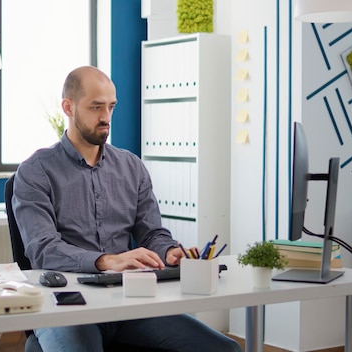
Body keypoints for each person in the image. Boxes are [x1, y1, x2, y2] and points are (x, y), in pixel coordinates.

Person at [12, 66, 242, 352]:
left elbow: (152, 233)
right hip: (65, 307)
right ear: (68, 108)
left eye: (111, 107)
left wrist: (169, 251)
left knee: (226, 349)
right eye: (96, 107)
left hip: (129, 303)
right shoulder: (36, 171)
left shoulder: (131, 167)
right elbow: (43, 249)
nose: (106, 117)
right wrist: (106, 261)